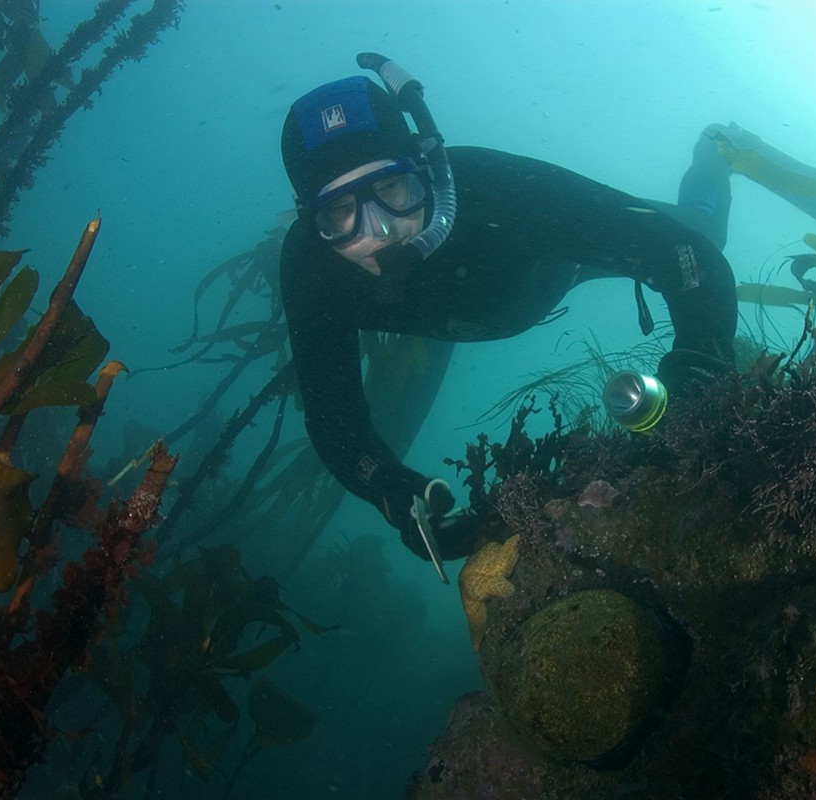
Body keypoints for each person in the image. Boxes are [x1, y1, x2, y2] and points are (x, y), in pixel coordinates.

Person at [279, 55, 738, 565]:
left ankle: (714, 151)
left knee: (701, 229)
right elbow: (333, 417)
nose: (381, 232)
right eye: (340, 213)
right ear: (308, 219)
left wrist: (701, 358)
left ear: (426, 172)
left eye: (392, 189)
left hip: (553, 272)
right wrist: (392, 491)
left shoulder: (497, 189)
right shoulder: (311, 269)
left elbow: (685, 257)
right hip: (458, 315)